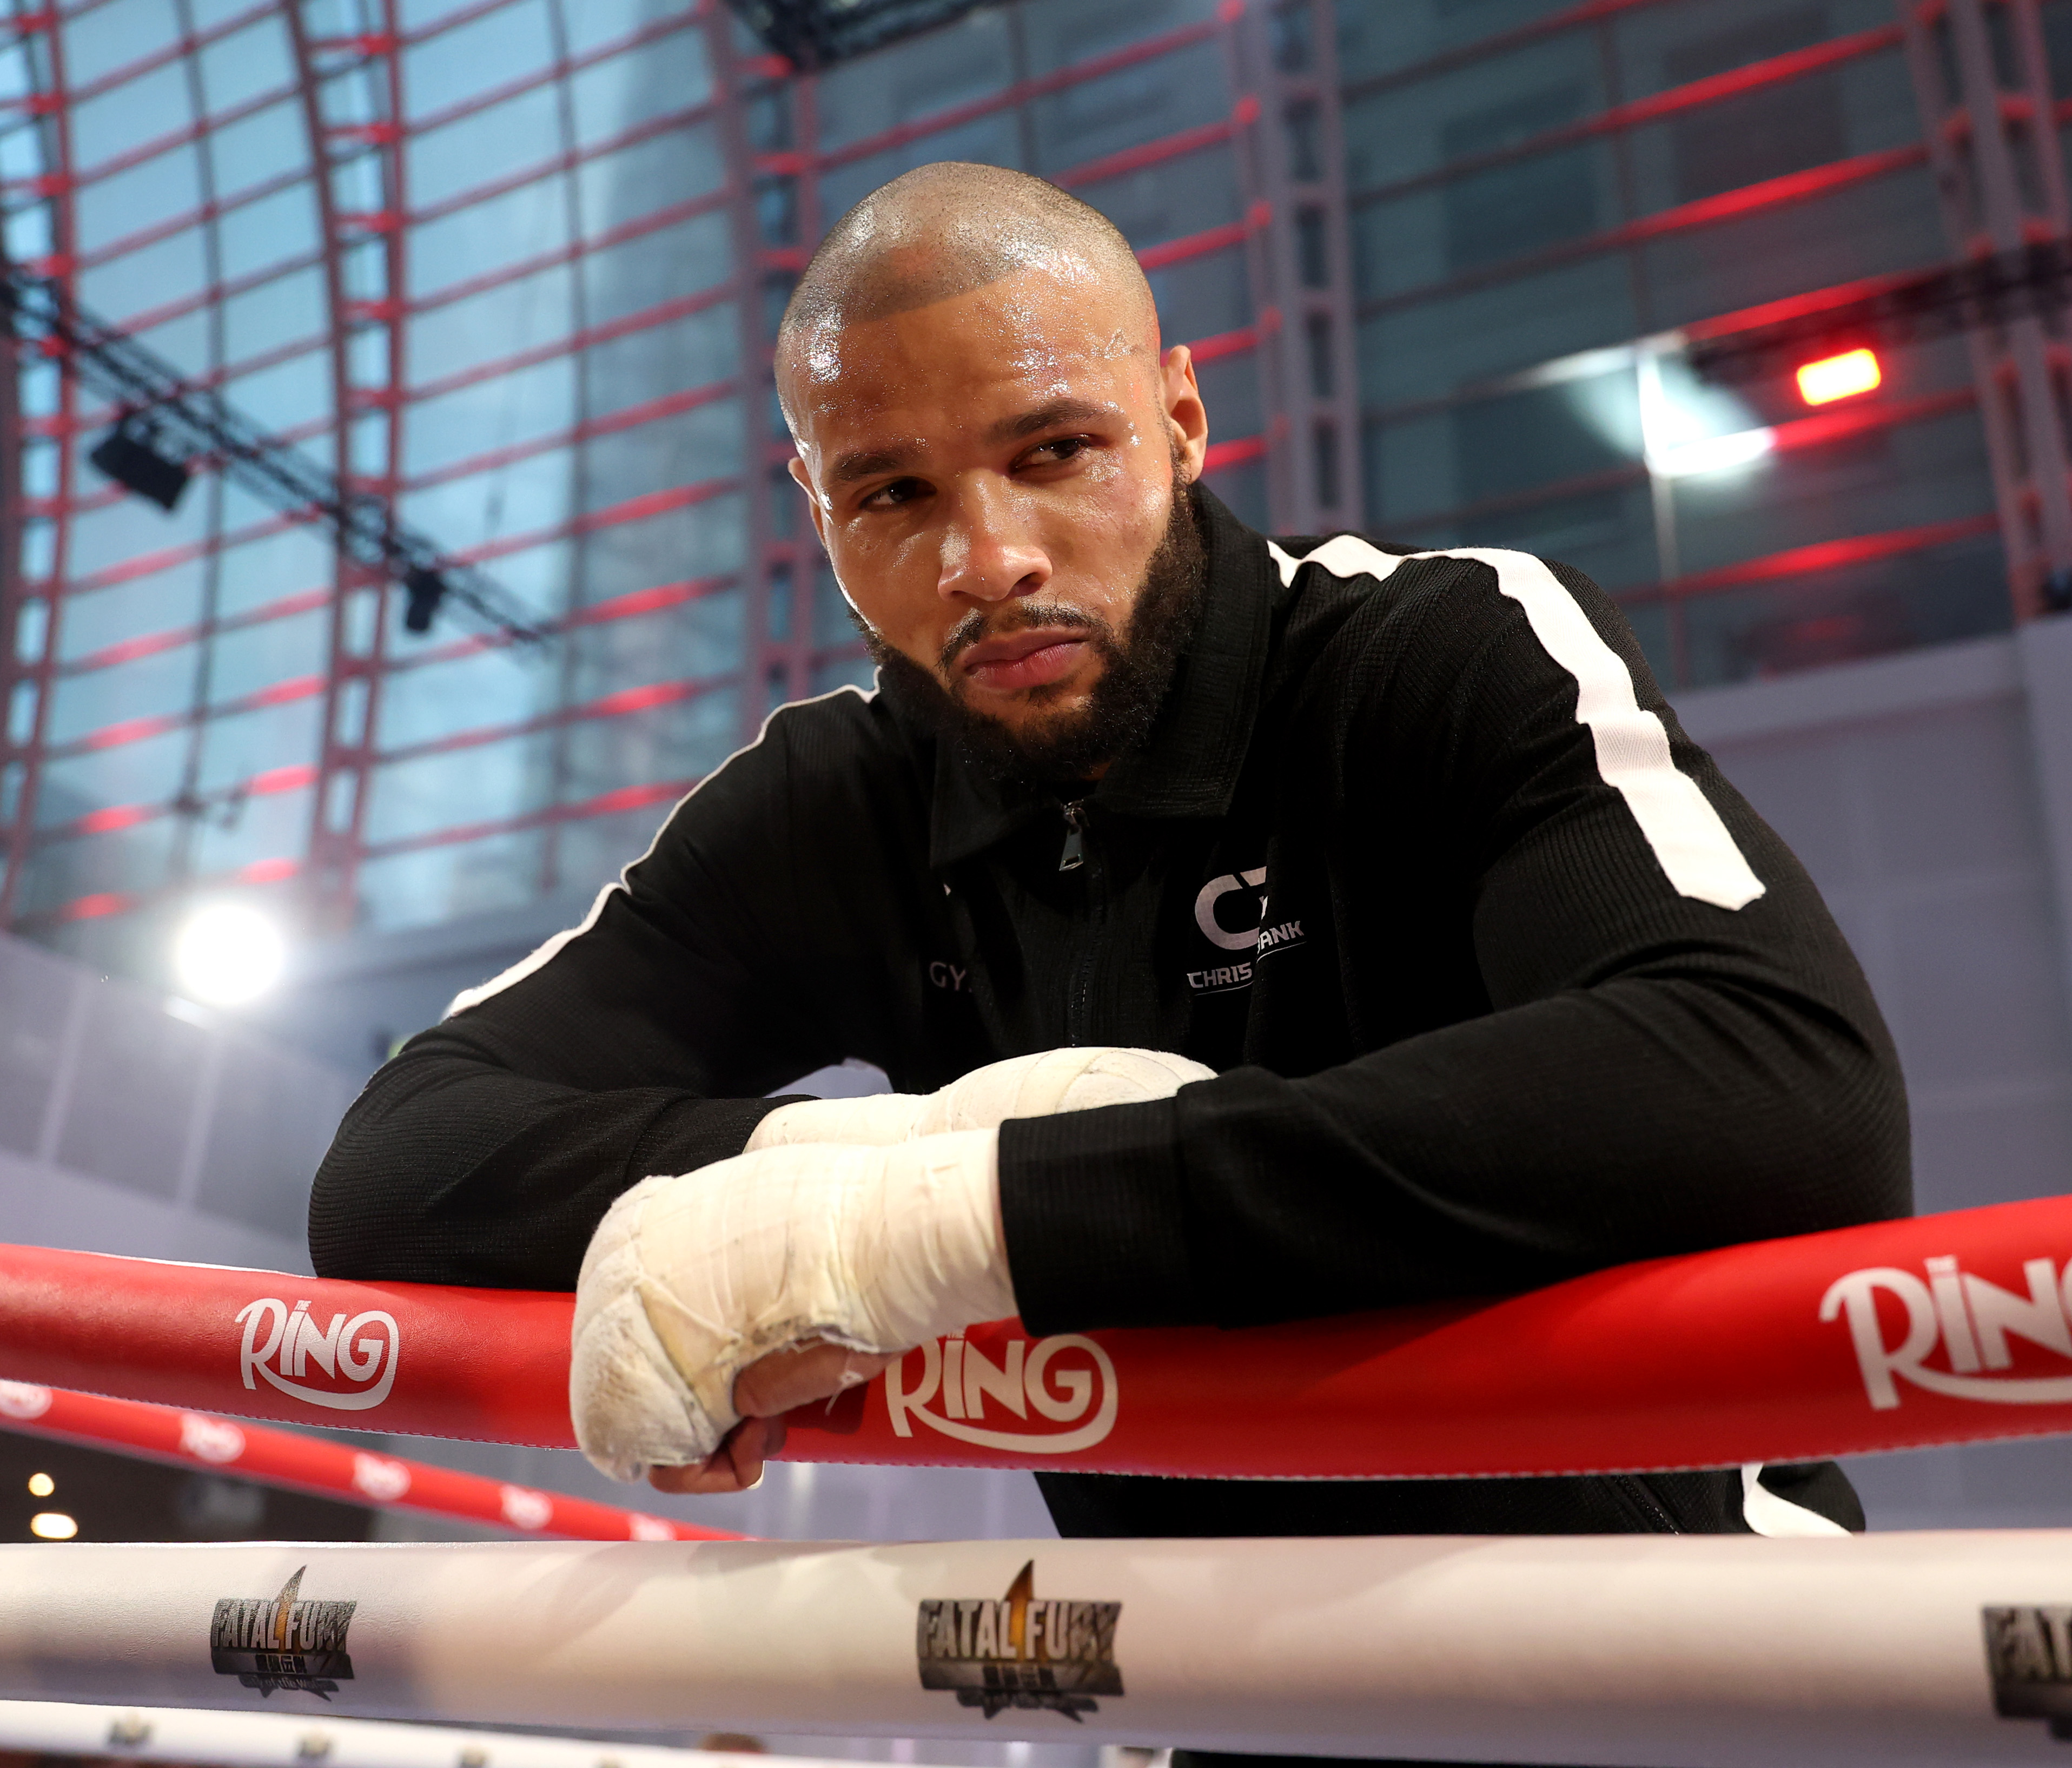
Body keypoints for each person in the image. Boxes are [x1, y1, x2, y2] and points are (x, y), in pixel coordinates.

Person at [310, 163, 1909, 1548]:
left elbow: (1783, 1085)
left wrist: (950, 1221)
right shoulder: (842, 795)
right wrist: (827, 1194)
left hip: (1687, 1646)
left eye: (1055, 450)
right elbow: (403, 1167)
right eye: (891, 492)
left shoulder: (1431, 649)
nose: (986, 557)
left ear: (1181, 418)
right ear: (813, 507)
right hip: (1228, 1685)